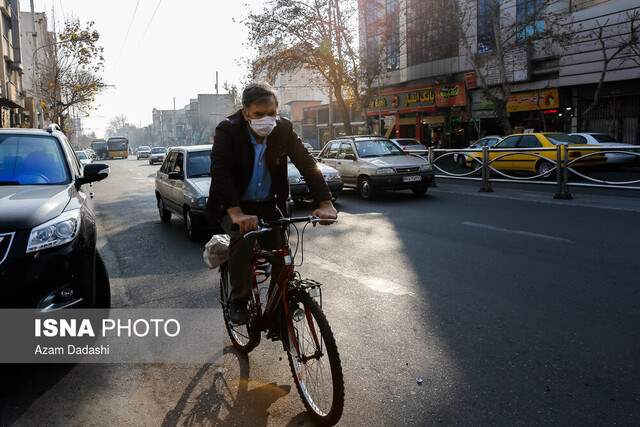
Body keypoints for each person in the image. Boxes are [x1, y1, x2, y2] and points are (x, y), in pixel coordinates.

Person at [207, 82, 338, 324]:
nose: (266, 119)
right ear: (245, 112)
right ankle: (239, 299)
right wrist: (236, 214)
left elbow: (307, 163)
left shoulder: (283, 129)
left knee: (282, 254)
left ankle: (279, 307)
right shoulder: (228, 130)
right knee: (242, 242)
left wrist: (325, 201)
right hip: (233, 205)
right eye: (259, 114)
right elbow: (220, 172)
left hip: (268, 203)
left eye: (272, 113)